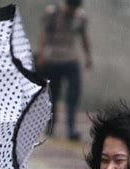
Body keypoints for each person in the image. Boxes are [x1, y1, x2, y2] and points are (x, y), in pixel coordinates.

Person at [37, 0, 92, 140]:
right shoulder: (52, 13)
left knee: (73, 94)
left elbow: (84, 36)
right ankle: (51, 125)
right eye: (70, 8)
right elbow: (43, 33)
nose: (71, 11)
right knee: (53, 95)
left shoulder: (80, 17)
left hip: (71, 59)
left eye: (74, 9)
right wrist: (42, 54)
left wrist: (88, 56)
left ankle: (71, 128)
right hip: (53, 59)